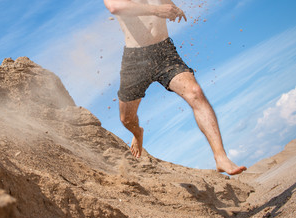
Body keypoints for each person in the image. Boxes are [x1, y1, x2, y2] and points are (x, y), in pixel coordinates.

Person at [103, 0, 247, 175]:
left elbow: (165, 4)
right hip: (135, 60)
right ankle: (138, 133)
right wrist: (157, 10)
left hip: (164, 52)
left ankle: (221, 157)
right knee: (127, 119)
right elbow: (115, 7)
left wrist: (173, 9)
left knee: (195, 93)